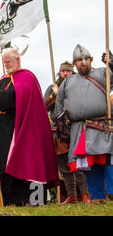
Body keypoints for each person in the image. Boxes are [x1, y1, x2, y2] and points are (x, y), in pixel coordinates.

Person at [0, 48, 58, 206]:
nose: (6, 65)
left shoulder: (27, 77)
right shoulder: (2, 79)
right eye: (4, 62)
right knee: (3, 165)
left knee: (25, 163)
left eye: (8, 61)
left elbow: (21, 96)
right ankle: (10, 201)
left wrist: (1, 94)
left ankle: (34, 201)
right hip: (2, 131)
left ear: (18, 60)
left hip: (21, 128)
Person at [54, 45, 113, 205]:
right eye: (79, 60)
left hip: (103, 126)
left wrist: (112, 63)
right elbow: (59, 103)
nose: (83, 62)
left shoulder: (103, 73)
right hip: (80, 129)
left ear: (91, 59)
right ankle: (97, 196)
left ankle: (111, 194)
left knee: (108, 161)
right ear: (75, 63)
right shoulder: (68, 82)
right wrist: (60, 125)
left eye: (86, 59)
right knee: (89, 164)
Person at [44, 61, 90, 204]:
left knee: (78, 163)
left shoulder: (80, 86)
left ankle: (85, 195)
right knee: (64, 166)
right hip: (58, 131)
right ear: (59, 72)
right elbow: (44, 106)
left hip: (75, 128)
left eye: (68, 71)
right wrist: (54, 95)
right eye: (63, 71)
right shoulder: (52, 88)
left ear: (72, 72)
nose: (65, 73)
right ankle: (72, 196)